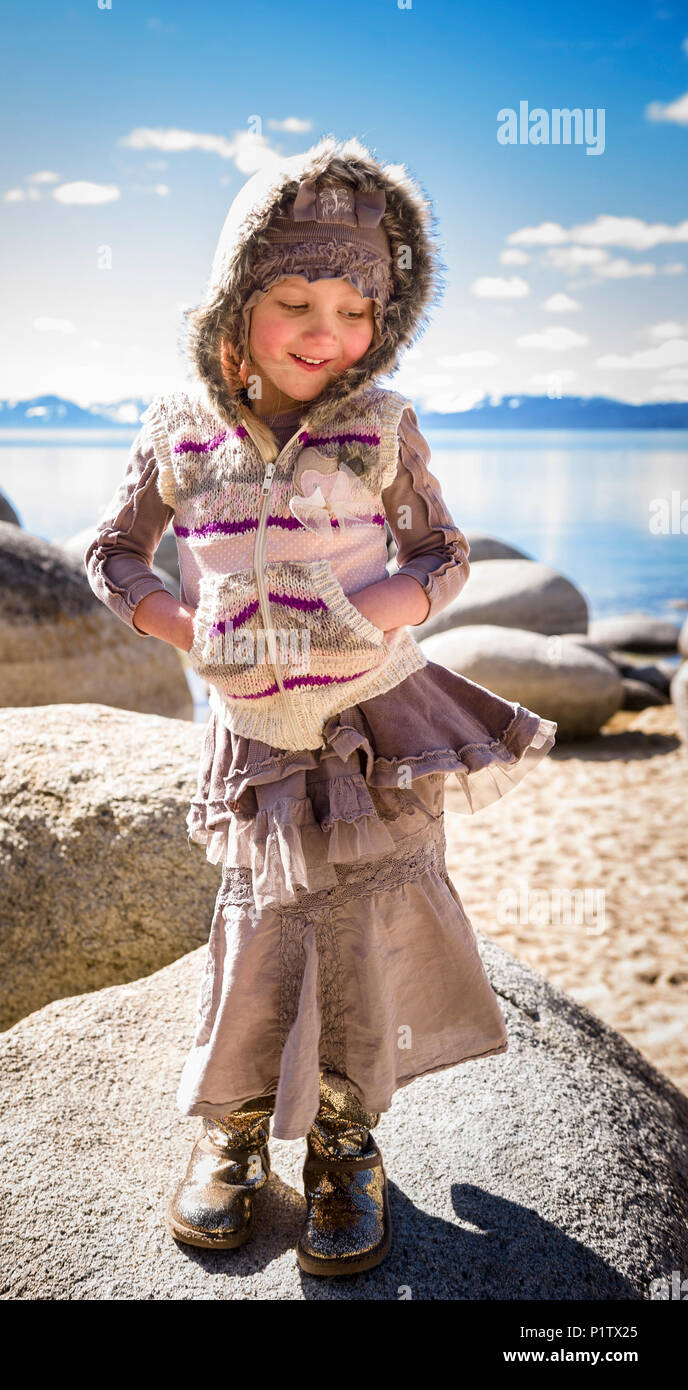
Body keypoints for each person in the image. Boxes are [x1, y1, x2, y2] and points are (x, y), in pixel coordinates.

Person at [84, 135, 558, 1277]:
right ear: (234, 302)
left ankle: (350, 1141)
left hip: (375, 727)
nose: (326, 331)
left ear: (384, 324)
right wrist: (192, 633)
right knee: (258, 924)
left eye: (356, 309)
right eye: (295, 298)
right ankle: (235, 1132)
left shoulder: (381, 428)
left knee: (369, 927)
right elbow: (113, 557)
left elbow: (443, 556)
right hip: (255, 738)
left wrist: (373, 615)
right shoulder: (180, 434)